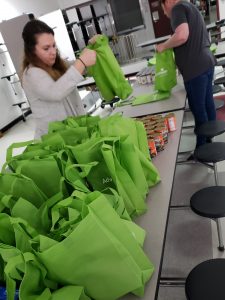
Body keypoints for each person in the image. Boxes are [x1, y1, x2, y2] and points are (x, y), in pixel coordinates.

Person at [156, 0, 216, 150]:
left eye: (163, 9)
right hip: (206, 62)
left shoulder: (177, 9)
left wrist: (164, 46)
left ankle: (202, 148)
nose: (164, 13)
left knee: (198, 108)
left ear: (168, 2)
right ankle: (209, 140)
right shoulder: (190, 7)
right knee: (208, 103)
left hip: (195, 69)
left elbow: (182, 35)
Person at [22, 19, 96, 139]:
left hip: (71, 131)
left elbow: (76, 68)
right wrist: (82, 61)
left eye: (53, 46)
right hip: (53, 138)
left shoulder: (55, 65)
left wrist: (91, 46)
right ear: (32, 50)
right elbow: (56, 92)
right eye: (46, 48)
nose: (53, 52)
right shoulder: (31, 74)